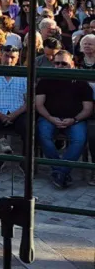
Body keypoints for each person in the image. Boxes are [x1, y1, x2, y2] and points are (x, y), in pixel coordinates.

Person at [37, 50, 94, 189]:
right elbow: (38, 104)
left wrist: (74, 119)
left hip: (75, 119)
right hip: (49, 117)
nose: (60, 66)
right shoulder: (45, 80)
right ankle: (61, 172)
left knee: (79, 139)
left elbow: (88, 108)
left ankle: (59, 172)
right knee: (43, 135)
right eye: (57, 63)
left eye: (64, 63)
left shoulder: (81, 81)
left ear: (72, 64)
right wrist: (50, 118)